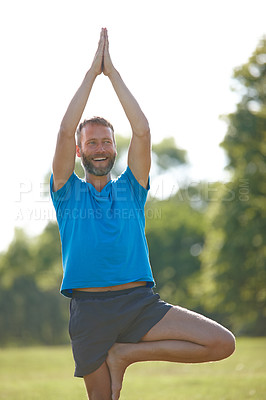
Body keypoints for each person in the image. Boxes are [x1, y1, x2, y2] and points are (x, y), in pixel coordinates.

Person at [50, 28, 235, 400]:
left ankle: (127, 354)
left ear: (115, 148)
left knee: (221, 343)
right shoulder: (67, 192)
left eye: (106, 141)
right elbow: (65, 127)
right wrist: (91, 74)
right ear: (79, 150)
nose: (100, 148)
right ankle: (118, 354)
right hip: (89, 312)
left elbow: (143, 130)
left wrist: (113, 74)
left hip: (140, 305)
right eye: (92, 142)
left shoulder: (131, 189)